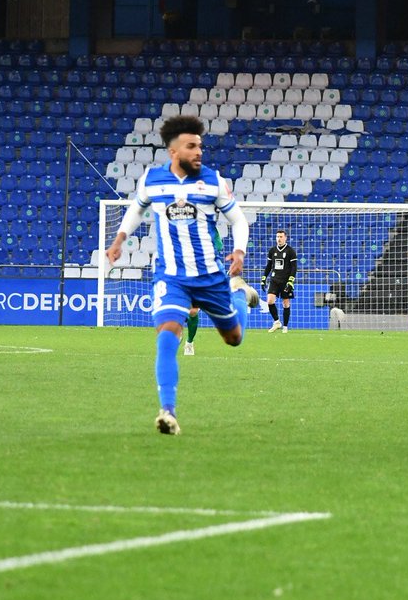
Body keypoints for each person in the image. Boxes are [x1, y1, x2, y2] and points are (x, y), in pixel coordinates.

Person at [105, 115, 259, 434]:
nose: (199, 151)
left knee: (234, 339)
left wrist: (240, 252)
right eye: (192, 146)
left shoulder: (213, 181)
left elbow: (239, 221)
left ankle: (240, 293)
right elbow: (137, 208)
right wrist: (119, 239)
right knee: (167, 334)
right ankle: (168, 411)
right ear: (174, 151)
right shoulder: (153, 178)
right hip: (171, 276)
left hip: (210, 275)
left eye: (200, 146)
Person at [261, 229, 297, 333]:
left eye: (281, 237)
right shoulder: (272, 250)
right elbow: (268, 266)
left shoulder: (290, 251)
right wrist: (264, 278)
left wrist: (291, 281)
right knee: (270, 300)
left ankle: (285, 326)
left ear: (285, 238)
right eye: (277, 237)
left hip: (285, 281)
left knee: (285, 303)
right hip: (274, 279)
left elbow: (294, 268)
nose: (279, 239)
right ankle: (277, 322)